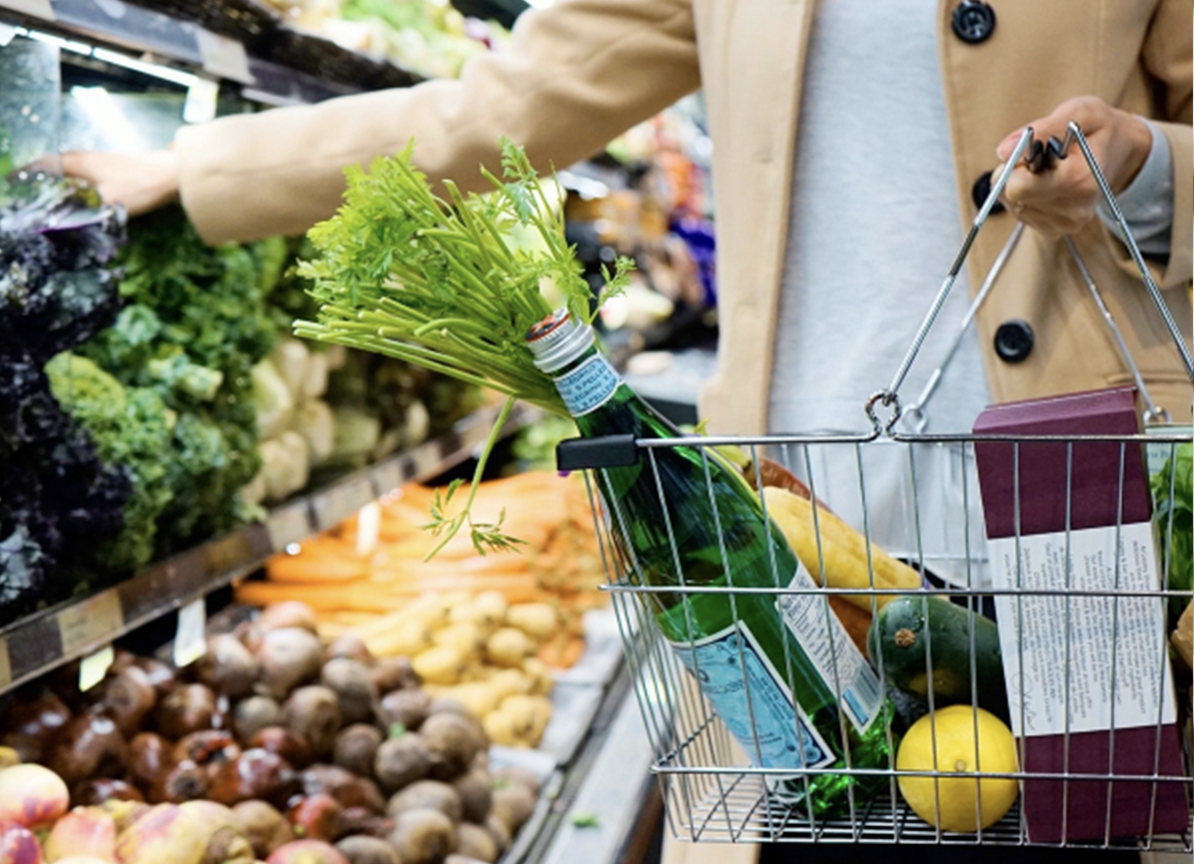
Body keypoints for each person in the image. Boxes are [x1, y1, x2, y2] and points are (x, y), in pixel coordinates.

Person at [59, 2, 1191, 863]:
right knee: (833, 827)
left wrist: (1145, 173)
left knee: (1088, 831)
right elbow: (494, 111)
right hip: (797, 524)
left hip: (1082, 505)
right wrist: (197, 169)